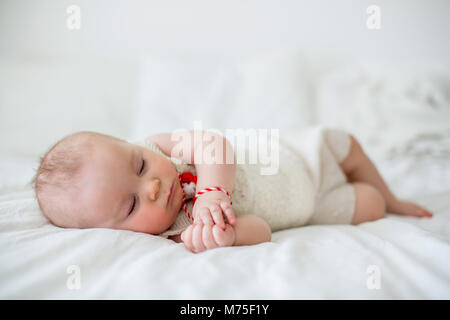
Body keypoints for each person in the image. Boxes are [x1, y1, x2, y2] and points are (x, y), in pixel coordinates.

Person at [32, 126, 433, 253]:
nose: (153, 185)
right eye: (133, 204)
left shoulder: (160, 148)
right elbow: (262, 229)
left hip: (295, 156)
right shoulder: (183, 232)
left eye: (137, 166)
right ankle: (385, 201)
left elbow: (213, 144)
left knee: (346, 144)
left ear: (134, 146)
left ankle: (398, 197)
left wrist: (211, 192)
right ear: (115, 232)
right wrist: (229, 235)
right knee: (371, 205)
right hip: (312, 205)